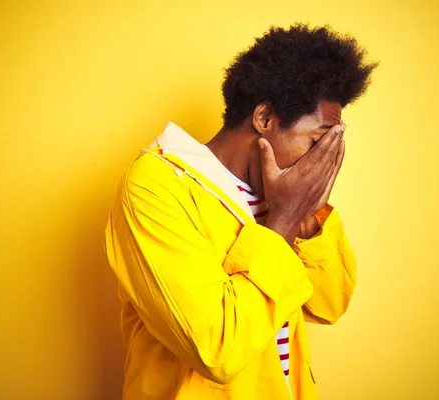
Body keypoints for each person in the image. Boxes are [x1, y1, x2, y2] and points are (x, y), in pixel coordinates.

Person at [104, 23, 377, 399]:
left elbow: (328, 305)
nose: (324, 160)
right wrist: (281, 222)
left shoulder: (284, 193)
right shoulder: (155, 186)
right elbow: (218, 349)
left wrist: (306, 216)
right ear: (265, 119)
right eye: (317, 141)